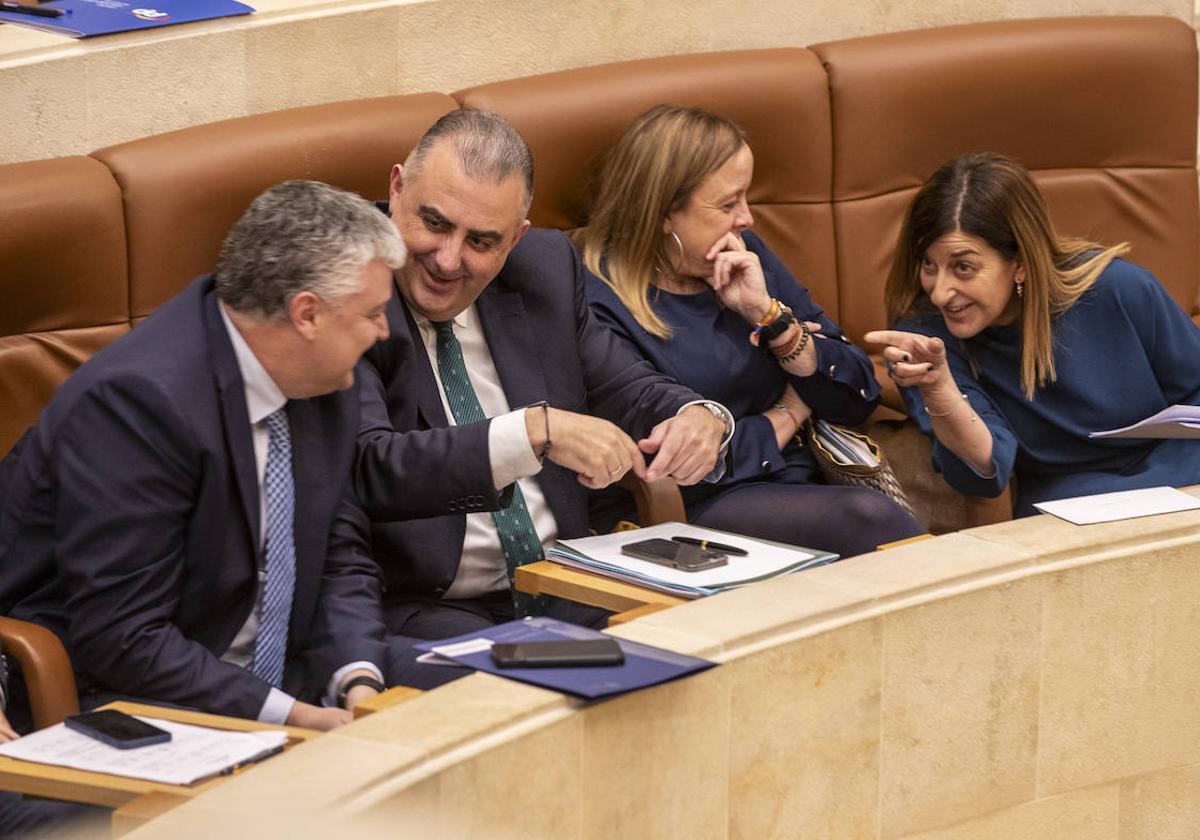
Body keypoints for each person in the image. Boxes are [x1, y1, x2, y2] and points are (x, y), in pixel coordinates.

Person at [0, 180, 405, 731]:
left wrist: (358, 680)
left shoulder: (325, 381)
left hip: (293, 672)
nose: (383, 332)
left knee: (492, 702)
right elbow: (125, 637)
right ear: (306, 314)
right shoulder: (140, 404)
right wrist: (295, 718)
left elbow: (339, 554)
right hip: (148, 696)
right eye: (374, 313)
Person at [354, 109, 731, 689]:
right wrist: (530, 431)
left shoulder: (545, 268)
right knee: (555, 698)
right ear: (397, 187)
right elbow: (371, 466)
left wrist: (699, 416)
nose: (449, 259)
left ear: (516, 238)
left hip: (566, 577)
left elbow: (625, 385)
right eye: (434, 223)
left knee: (716, 654)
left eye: (482, 241)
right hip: (422, 602)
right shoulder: (348, 286)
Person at [576, 104, 924, 554]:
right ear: (663, 211)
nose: (747, 218)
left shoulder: (741, 254)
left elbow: (857, 392)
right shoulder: (597, 297)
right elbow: (673, 454)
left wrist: (772, 321)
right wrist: (789, 414)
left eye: (745, 198)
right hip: (691, 505)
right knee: (865, 519)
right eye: (727, 204)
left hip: (806, 473)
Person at [866, 152, 1200, 517]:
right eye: (929, 265)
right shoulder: (924, 337)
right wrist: (939, 388)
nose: (940, 291)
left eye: (963, 267)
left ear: (1020, 263)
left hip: (1181, 473)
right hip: (1071, 505)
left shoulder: (1117, 288)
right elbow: (984, 472)